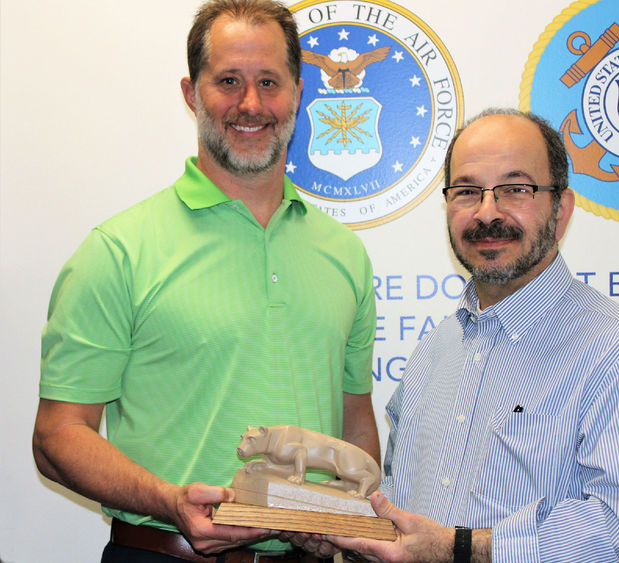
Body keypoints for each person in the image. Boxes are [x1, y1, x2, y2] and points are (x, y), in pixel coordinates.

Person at [32, 1, 379, 561]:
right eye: (228, 82)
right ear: (192, 94)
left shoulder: (344, 254)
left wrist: (343, 515)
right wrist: (169, 501)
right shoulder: (118, 250)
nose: (251, 104)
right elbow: (57, 437)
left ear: (297, 93)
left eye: (270, 82)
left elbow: (356, 423)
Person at [288, 108, 619, 562]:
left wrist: (456, 549)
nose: (487, 212)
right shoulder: (434, 351)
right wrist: (348, 529)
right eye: (467, 191)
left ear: (561, 210)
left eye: (516, 189)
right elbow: (399, 503)